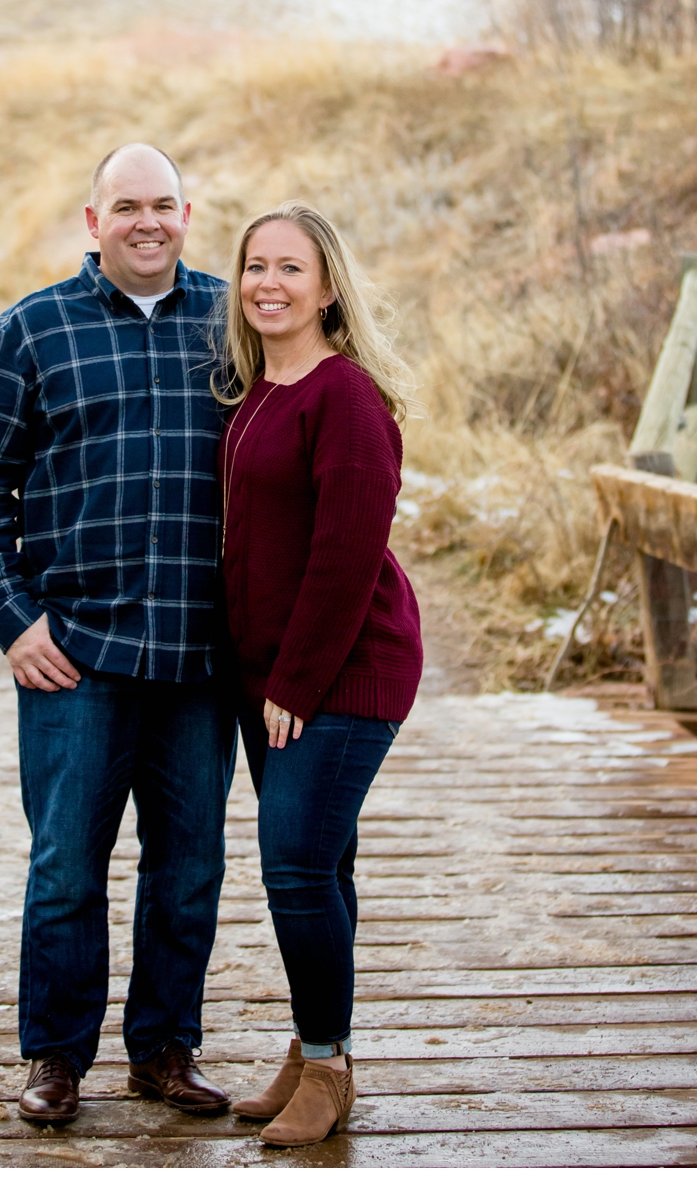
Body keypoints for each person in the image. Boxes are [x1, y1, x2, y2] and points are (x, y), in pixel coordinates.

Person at [0, 143, 238, 1127]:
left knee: (190, 864)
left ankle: (163, 1050)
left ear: (187, 214)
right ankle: (56, 1059)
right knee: (67, 865)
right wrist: (12, 621)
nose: (146, 221)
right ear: (92, 220)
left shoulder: (234, 320)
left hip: (201, 655)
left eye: (164, 204)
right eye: (127, 206)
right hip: (77, 654)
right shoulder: (32, 329)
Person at [214, 203, 423, 1148]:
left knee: (295, 864)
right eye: (255, 266)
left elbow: (345, 554)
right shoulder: (260, 391)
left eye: (290, 269)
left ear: (328, 287)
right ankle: (311, 1051)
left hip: (345, 668)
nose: (268, 283)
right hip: (279, 677)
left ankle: (329, 1064)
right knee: (320, 862)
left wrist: (293, 684)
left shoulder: (346, 397)